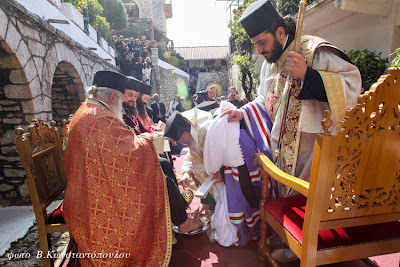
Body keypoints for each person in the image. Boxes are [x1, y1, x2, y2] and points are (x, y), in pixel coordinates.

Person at [221, 0, 361, 261]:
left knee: (309, 205)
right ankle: (289, 241)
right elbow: (263, 99)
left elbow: (352, 85)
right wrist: (244, 112)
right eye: (256, 45)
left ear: (280, 33)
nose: (260, 50)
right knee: (286, 199)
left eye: (262, 43)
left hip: (313, 147)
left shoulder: (313, 51)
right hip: (282, 149)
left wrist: (309, 74)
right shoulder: (268, 64)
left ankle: (310, 248)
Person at [62, 70, 172, 266]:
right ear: (113, 96)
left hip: (84, 189)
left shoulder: (89, 110)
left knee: (160, 164)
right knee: (155, 177)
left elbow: (120, 146)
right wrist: (159, 143)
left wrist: (152, 141)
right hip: (91, 198)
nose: (121, 104)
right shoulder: (98, 118)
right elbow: (128, 153)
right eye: (121, 99)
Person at [164, 100, 273, 247]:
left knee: (229, 220)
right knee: (219, 218)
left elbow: (233, 156)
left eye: (183, 141)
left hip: (240, 171)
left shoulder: (210, 129)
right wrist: (187, 172)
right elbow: (194, 153)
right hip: (224, 179)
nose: (183, 145)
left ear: (186, 130)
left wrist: (223, 175)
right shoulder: (193, 134)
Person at [122, 75, 201, 234]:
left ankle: (179, 205)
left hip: (137, 155)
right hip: (127, 166)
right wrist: (152, 137)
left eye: (135, 97)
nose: (135, 100)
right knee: (163, 179)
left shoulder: (131, 112)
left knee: (164, 162)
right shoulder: (119, 116)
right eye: (131, 96)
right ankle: (182, 221)